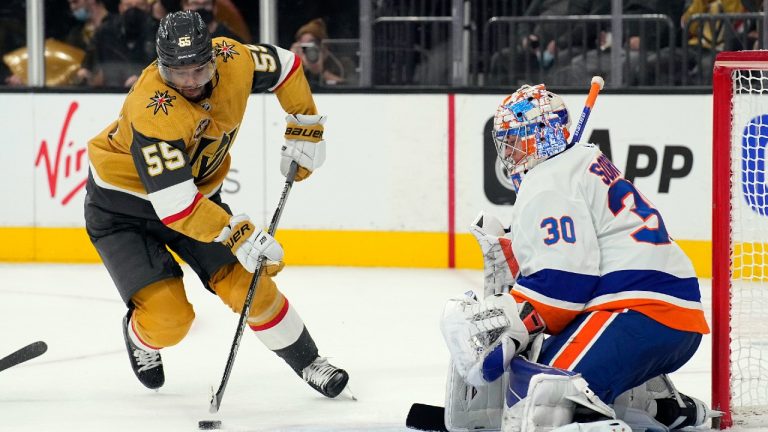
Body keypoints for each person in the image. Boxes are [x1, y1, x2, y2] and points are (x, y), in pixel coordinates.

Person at [84, 10, 349, 399]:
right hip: (123, 211)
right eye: (178, 73)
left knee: (251, 284)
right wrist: (238, 233)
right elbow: (177, 207)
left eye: (198, 70)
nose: (190, 82)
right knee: (170, 320)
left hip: (196, 199)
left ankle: (309, 361)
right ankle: (140, 337)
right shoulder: (152, 110)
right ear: (161, 67)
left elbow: (286, 64)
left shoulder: (233, 57)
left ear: (213, 58)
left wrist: (305, 123)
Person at [439, 84, 717, 431]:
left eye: (515, 139)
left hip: (640, 314)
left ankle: (612, 415)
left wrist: (513, 322)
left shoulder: (548, 180)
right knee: (558, 370)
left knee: (542, 391)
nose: (509, 152)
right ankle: (663, 408)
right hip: (671, 320)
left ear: (542, 136)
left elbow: (564, 290)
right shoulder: (582, 161)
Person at [88, 0, 158, 87]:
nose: (133, 11)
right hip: (110, 92)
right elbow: (89, 66)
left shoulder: (160, 32)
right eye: (128, 6)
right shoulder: (105, 32)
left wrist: (143, 80)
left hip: (148, 90)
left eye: (140, 6)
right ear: (120, 7)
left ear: (147, 7)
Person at [290, 18, 348, 87]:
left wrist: (322, 72)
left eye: (312, 48)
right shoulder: (297, 66)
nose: (310, 53)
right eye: (304, 48)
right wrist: (292, 63)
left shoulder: (342, 64)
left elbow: (351, 87)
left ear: (323, 47)